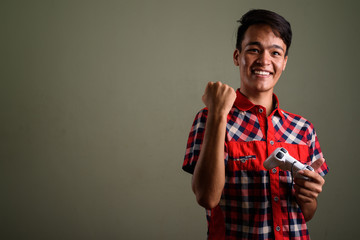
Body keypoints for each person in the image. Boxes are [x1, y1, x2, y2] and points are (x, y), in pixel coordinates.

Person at [182, 9, 329, 240]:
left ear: (284, 62)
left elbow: (306, 214)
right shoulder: (210, 117)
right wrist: (219, 114)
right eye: (253, 50)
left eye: (275, 52)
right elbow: (207, 197)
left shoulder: (303, 129)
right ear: (236, 56)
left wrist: (308, 197)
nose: (264, 60)